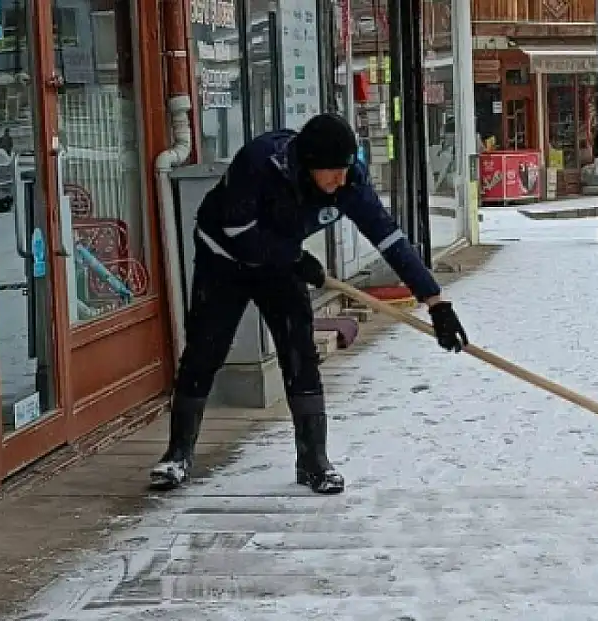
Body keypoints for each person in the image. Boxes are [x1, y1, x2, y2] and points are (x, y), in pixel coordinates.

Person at [150, 112, 470, 493]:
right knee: (206, 349)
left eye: (346, 169)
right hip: (224, 257)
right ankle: (177, 455)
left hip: (280, 262)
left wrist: (435, 303)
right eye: (332, 171)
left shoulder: (349, 181)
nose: (341, 179)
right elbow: (238, 231)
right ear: (308, 164)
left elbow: (388, 238)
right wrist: (296, 259)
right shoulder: (259, 162)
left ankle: (314, 461)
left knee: (299, 351)